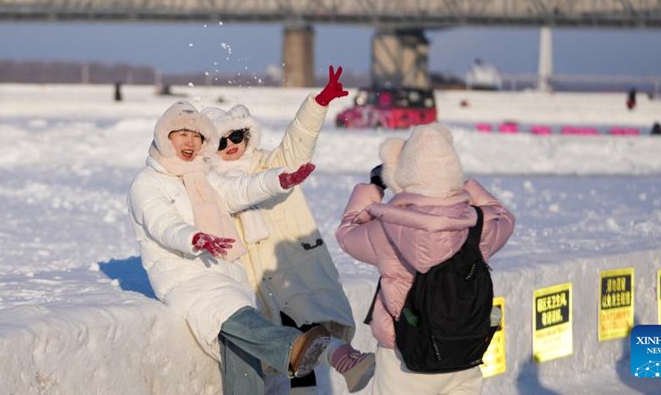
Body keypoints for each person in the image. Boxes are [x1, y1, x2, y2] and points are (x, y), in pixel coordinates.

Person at [127, 100, 331, 395]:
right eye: (182, 133)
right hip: (185, 276)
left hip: (225, 271)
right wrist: (194, 238)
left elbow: (237, 190)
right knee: (231, 314)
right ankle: (290, 348)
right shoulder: (147, 183)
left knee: (241, 348)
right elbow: (162, 223)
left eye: (197, 136)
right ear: (164, 136)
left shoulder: (201, 175)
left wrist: (278, 180)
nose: (190, 141)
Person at [202, 65, 375, 394]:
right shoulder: (212, 182)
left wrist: (317, 105)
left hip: (290, 264)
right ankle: (345, 360)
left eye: (236, 135)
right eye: (222, 141)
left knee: (306, 327)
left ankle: (345, 362)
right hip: (254, 273)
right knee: (290, 342)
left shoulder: (267, 162)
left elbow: (295, 150)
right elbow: (234, 197)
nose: (231, 145)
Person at [336, 123, 515, 395]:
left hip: (403, 353)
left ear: (403, 175)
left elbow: (347, 233)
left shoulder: (387, 227)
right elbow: (504, 216)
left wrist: (374, 188)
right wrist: (462, 185)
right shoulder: (478, 225)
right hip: (462, 350)